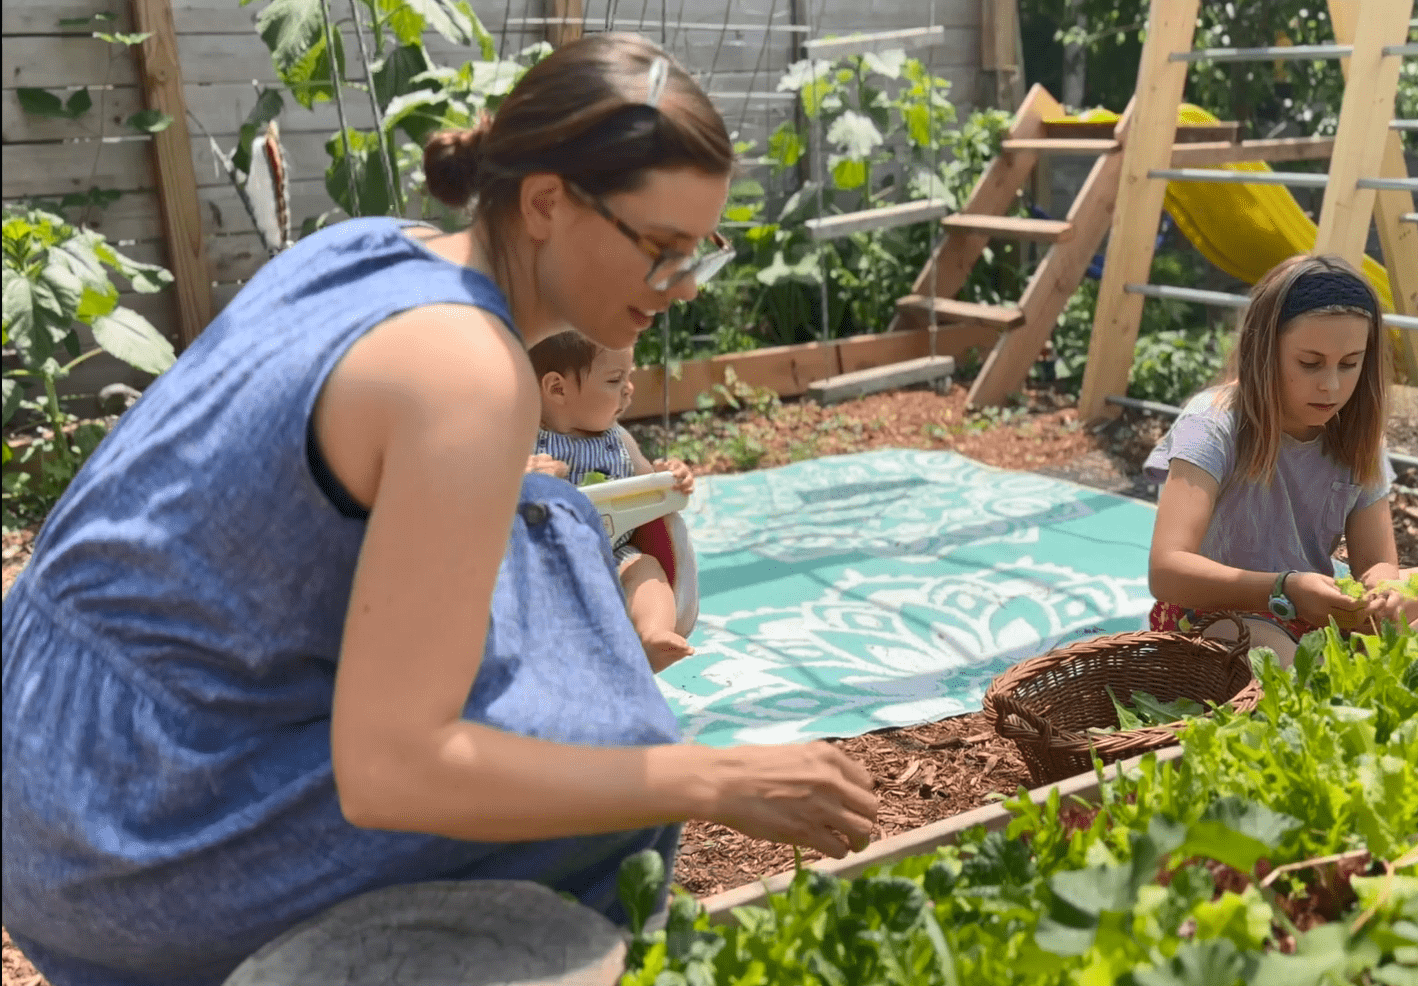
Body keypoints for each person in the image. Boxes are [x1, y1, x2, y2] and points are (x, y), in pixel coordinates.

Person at [0, 34, 876, 986]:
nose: (677, 288)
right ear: (545, 202)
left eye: (696, 255)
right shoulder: (469, 371)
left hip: (43, 737)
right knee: (621, 765)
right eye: (660, 251)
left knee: (556, 523)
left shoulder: (367, 248)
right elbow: (393, 773)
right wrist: (712, 779)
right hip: (117, 837)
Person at [1144, 253, 1418, 664]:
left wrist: (1383, 589)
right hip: (1216, 615)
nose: (1331, 386)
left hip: (1321, 608)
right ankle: (1368, 671)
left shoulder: (1354, 432)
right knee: (1284, 666)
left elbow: (1376, 562)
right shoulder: (1211, 423)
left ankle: (1368, 670)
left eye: (1350, 364)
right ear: (1263, 351)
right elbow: (1167, 570)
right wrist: (1285, 590)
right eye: (1310, 363)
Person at [529, 331, 695, 670]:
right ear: (557, 389)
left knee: (646, 569)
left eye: (629, 376)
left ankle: (652, 635)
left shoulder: (619, 440)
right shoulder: (523, 440)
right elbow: (487, 495)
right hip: (546, 567)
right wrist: (524, 478)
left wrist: (671, 475)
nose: (629, 388)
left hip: (614, 556)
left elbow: (651, 487)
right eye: (615, 379)